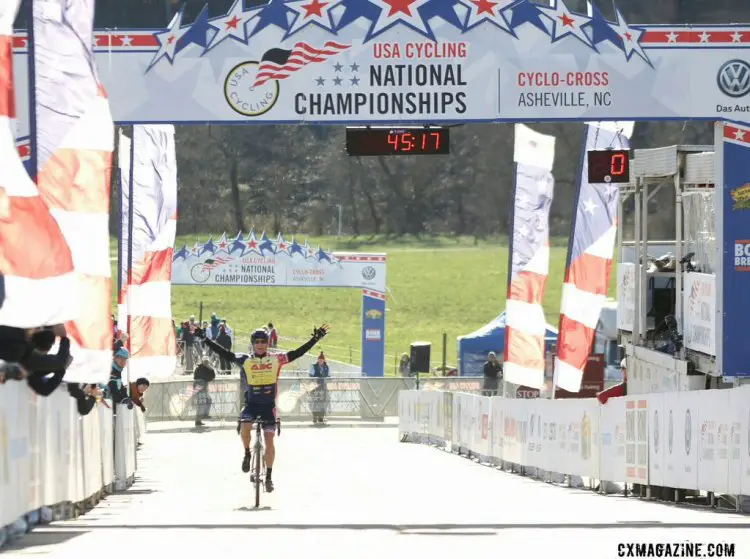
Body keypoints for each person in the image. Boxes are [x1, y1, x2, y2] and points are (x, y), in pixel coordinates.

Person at [200, 323, 330, 493]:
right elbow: (224, 353)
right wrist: (205, 339)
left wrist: (314, 339)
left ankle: (268, 476)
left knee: (269, 441)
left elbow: (297, 353)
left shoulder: (276, 360)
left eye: (263, 342)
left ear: (267, 343)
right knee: (245, 426)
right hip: (251, 405)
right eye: (257, 342)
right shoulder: (245, 360)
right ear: (253, 344)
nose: (260, 345)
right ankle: (247, 453)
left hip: (269, 407)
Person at [193, 357, 216, 427]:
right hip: (199, 387)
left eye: (207, 362)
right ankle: (198, 420)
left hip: (204, 387)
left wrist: (210, 369)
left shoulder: (208, 369)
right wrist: (210, 378)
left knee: (208, 400)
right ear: (202, 362)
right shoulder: (199, 368)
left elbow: (212, 375)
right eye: (205, 362)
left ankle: (204, 415)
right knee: (201, 403)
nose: (206, 363)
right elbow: (206, 377)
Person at [309, 352, 329, 425]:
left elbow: (329, 375)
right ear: (317, 360)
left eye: (322, 360)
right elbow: (310, 375)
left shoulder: (326, 367)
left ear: (324, 360)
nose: (320, 361)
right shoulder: (313, 366)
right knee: (315, 402)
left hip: (323, 386)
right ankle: (315, 417)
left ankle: (321, 417)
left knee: (322, 402)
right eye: (319, 360)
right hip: (315, 386)